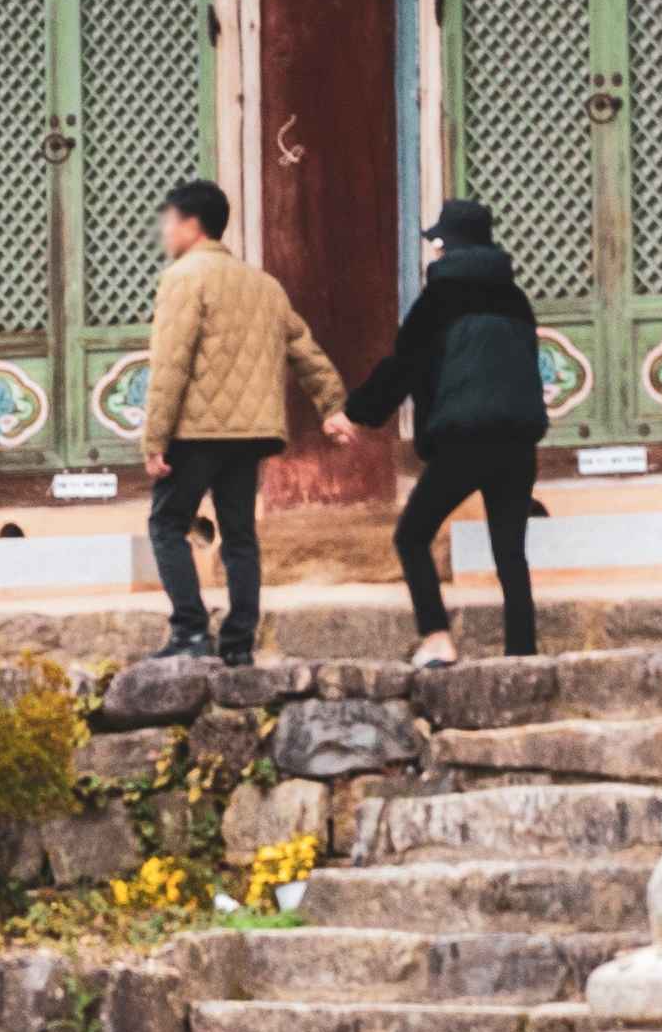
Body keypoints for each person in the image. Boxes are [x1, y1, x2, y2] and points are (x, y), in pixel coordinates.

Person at [134, 176, 335, 669]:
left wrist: (155, 438)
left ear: (191, 224)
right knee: (240, 535)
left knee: (166, 524)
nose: (165, 232)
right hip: (250, 434)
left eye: (169, 222)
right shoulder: (265, 285)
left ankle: (189, 631)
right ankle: (239, 642)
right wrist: (332, 404)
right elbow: (304, 350)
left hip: (196, 431)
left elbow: (171, 364)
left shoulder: (183, 278)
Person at [344, 197, 553, 665]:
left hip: (465, 441)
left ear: (448, 244)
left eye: (438, 243)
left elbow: (402, 366)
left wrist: (355, 412)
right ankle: (522, 652)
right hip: (518, 442)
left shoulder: (439, 299)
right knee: (510, 552)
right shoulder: (516, 301)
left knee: (412, 535)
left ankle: (437, 637)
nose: (434, 251)